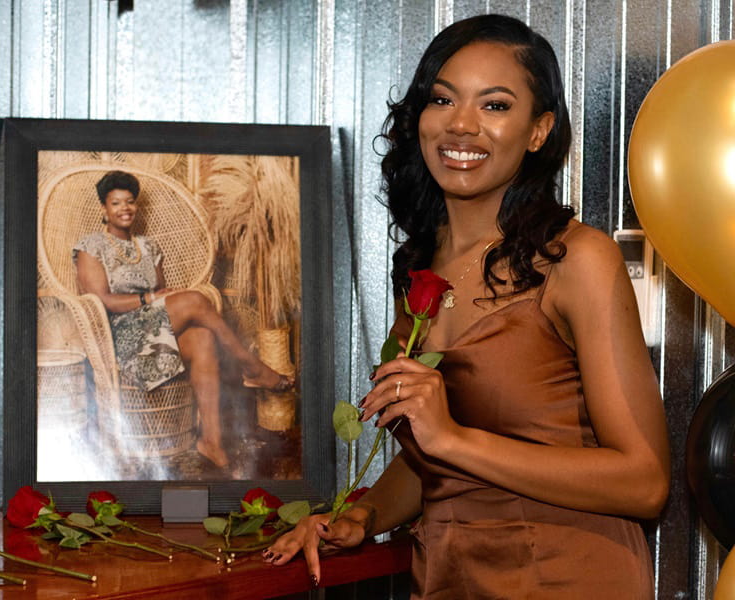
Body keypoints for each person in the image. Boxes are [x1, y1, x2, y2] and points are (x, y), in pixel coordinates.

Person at [263, 14, 670, 598]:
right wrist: (362, 516)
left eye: (495, 106)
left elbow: (645, 481)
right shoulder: (422, 269)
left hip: (566, 577)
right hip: (450, 574)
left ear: (539, 130)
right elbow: (436, 458)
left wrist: (452, 437)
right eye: (443, 98)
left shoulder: (577, 260)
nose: (461, 124)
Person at [73, 170, 293, 468]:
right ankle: (251, 366)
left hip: (152, 331)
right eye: (116, 203)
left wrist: (161, 298)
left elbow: (161, 291)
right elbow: (102, 300)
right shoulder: (91, 246)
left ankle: (211, 443)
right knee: (196, 300)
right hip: (120, 337)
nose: (125, 208)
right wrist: (148, 299)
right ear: (104, 209)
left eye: (130, 202)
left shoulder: (148, 246)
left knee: (202, 337)